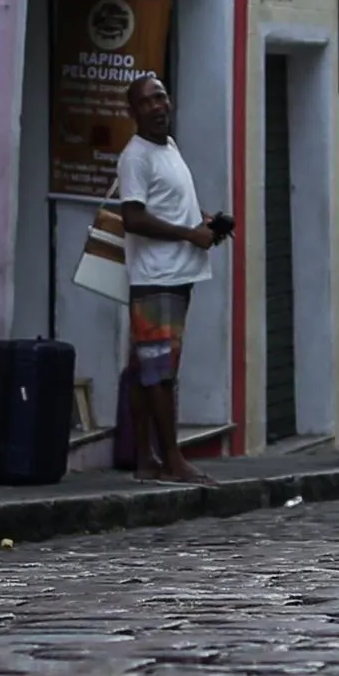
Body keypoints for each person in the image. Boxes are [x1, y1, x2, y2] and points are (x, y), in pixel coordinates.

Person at [108, 75, 232, 484]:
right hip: (156, 276)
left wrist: (204, 223)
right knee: (160, 373)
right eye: (146, 103)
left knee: (148, 369)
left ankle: (146, 459)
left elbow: (170, 206)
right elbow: (133, 217)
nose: (157, 107)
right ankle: (173, 459)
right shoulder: (136, 157)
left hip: (177, 274)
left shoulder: (169, 147)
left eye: (160, 97)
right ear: (133, 113)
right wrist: (187, 234)